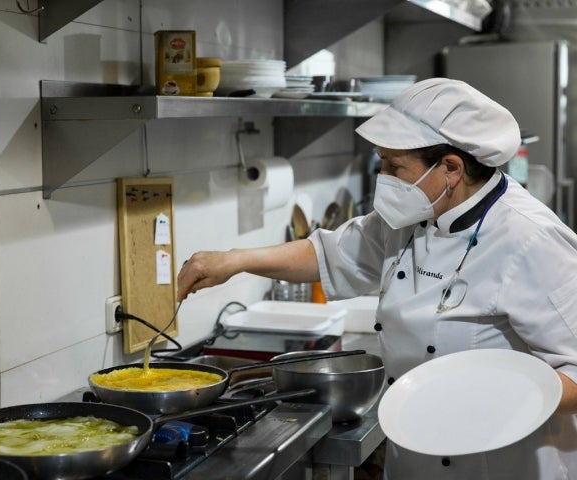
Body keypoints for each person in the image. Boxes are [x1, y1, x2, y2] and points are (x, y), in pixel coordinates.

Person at [177, 77, 577, 479]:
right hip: (415, 451)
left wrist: (490, 393)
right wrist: (235, 260)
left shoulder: (531, 239)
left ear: (451, 169)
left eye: (394, 166)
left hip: (501, 463)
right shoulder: (412, 215)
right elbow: (330, 253)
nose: (382, 177)